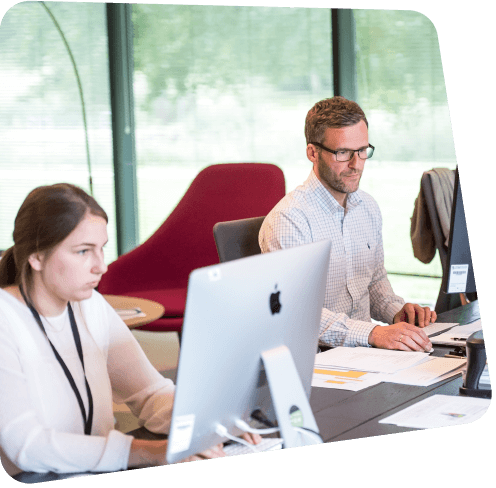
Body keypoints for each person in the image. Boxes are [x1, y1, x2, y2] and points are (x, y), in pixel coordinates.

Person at [0, 183, 260, 478]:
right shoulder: (5, 320)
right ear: (36, 256)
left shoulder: (90, 305)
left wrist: (211, 423)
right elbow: (26, 445)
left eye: (102, 249)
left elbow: (150, 393)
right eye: (83, 251)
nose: (101, 266)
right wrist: (148, 452)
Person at [259, 96, 436, 352]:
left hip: (366, 353)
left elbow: (374, 283)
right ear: (313, 153)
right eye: (343, 153)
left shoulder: (368, 207)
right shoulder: (289, 220)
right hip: (319, 358)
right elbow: (298, 312)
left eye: (362, 151)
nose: (356, 164)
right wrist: (373, 333)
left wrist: (398, 312)